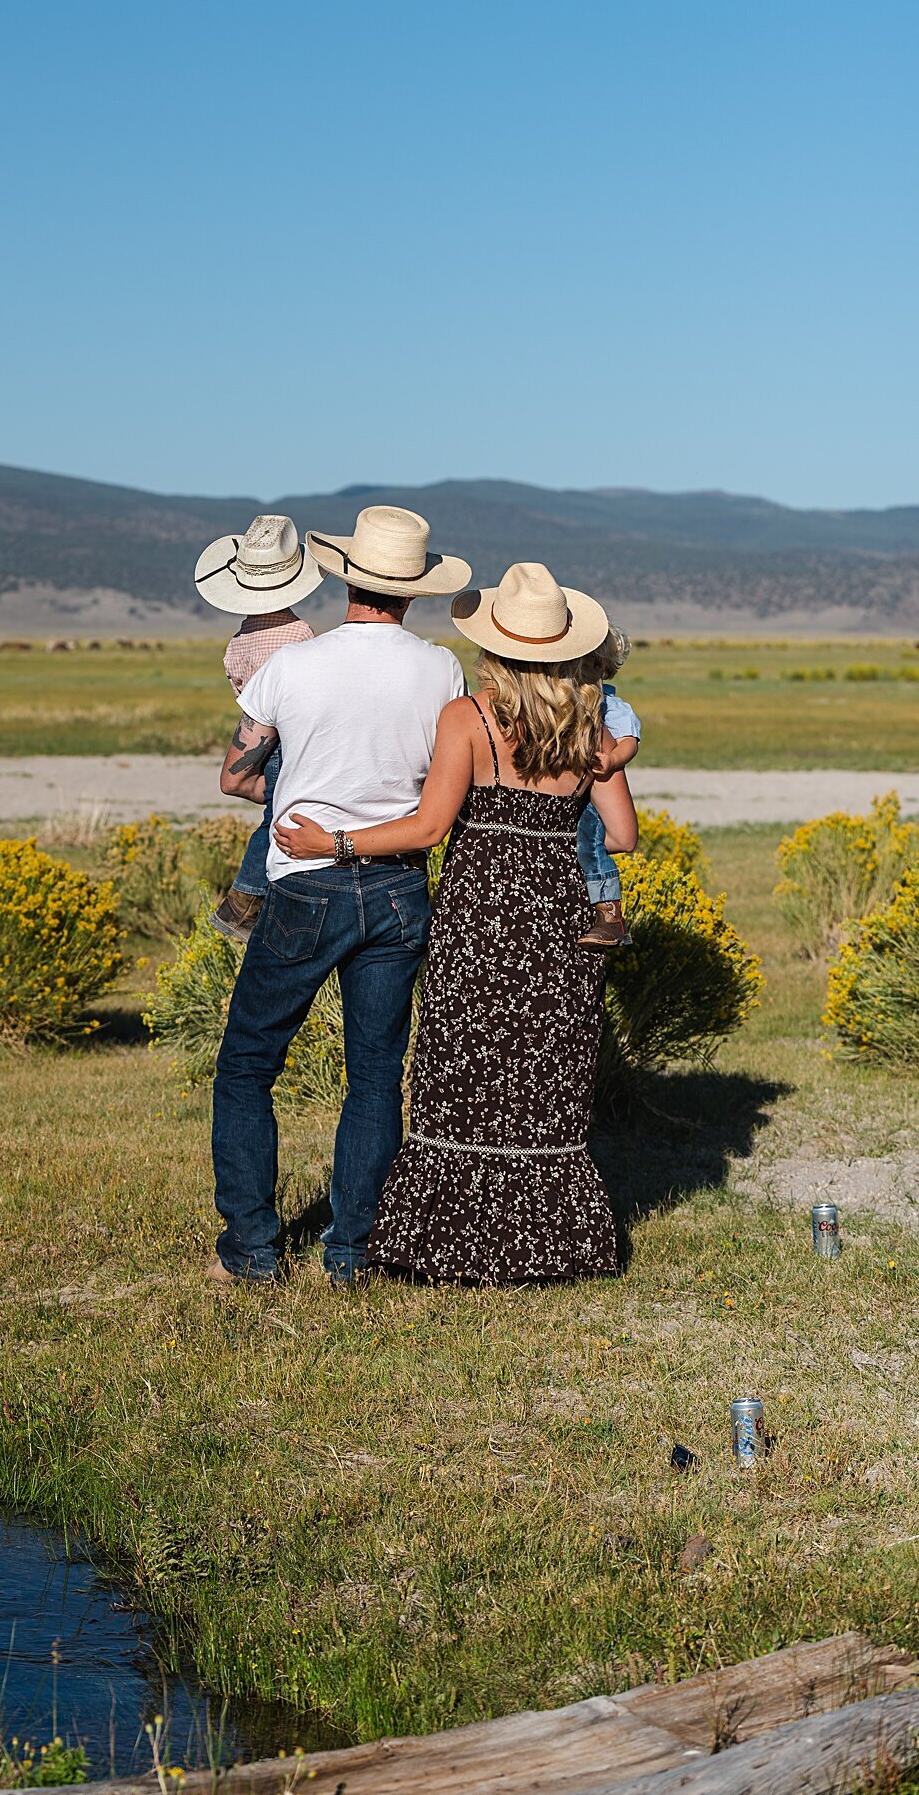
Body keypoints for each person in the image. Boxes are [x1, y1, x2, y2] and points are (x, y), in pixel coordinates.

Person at [275, 561, 636, 1287]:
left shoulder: (467, 718)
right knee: (544, 1081)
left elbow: (430, 827)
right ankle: (549, 1246)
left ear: (494, 646)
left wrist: (333, 843)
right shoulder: (589, 731)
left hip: (479, 925)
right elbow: (622, 833)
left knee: (461, 1074)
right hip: (556, 927)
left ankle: (455, 1243)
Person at [209, 504, 470, 1287]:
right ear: (415, 591)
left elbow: (235, 776)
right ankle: (351, 1252)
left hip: (303, 885)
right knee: (375, 1077)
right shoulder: (442, 670)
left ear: (346, 577)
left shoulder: (292, 667)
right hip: (397, 889)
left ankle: (253, 1250)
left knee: (249, 1065)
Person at [192, 515, 325, 943]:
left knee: (274, 816)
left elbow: (245, 700)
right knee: (284, 821)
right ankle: (245, 901)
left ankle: (256, 902)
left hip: (263, 743)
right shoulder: (301, 633)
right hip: (292, 741)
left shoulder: (237, 642)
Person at [576, 625, 641, 949]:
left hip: (595, 794)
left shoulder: (612, 707)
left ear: (602, 667)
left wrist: (613, 759)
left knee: (590, 844)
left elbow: (630, 741)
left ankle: (609, 913)